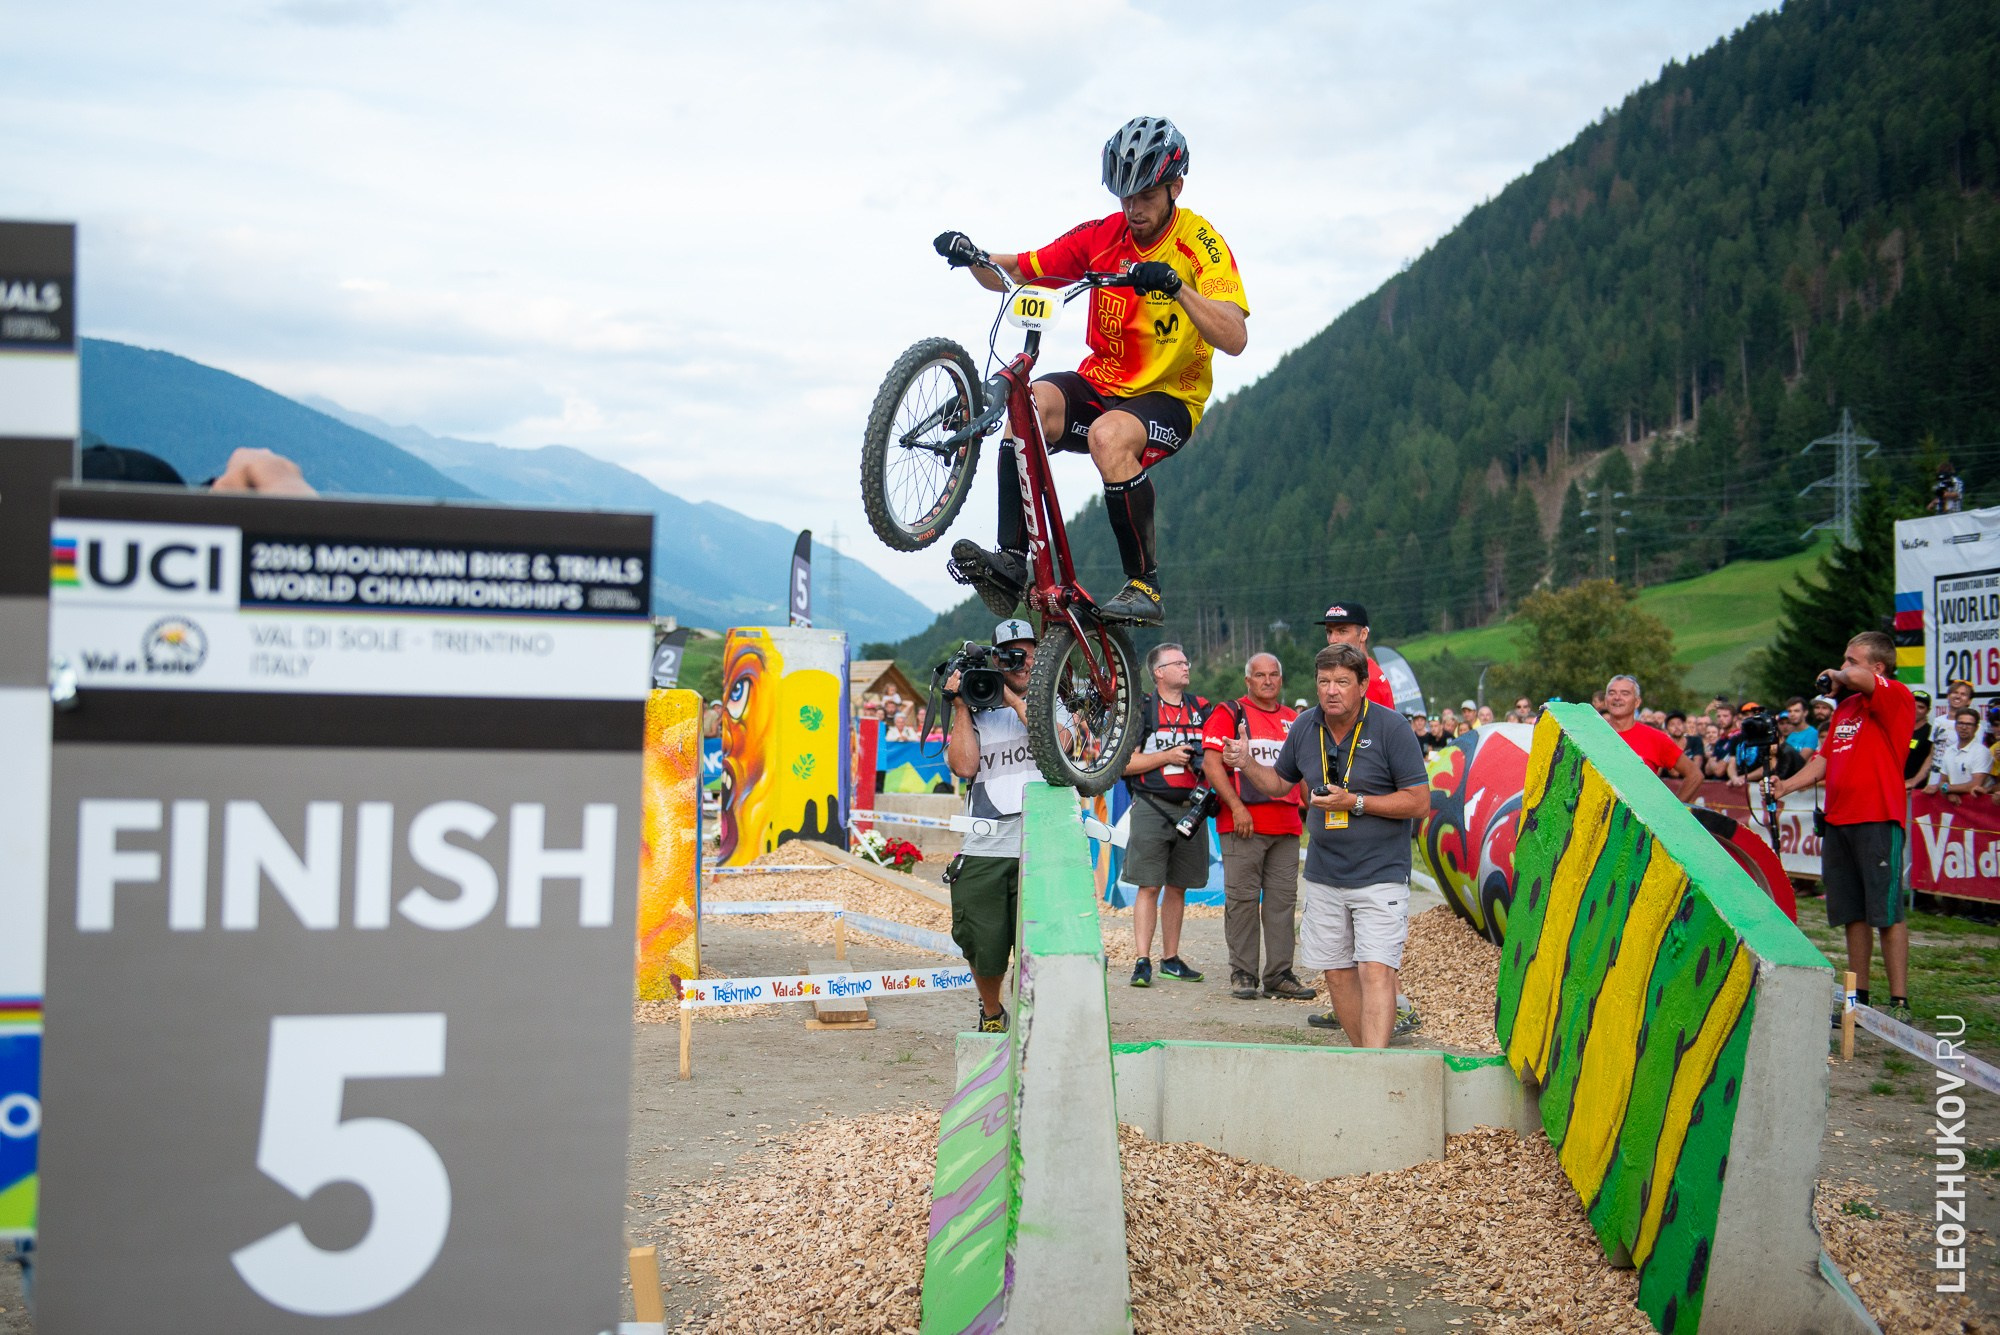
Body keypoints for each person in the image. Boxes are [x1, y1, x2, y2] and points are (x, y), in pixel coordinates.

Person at [936, 116, 1249, 627]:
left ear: (1176, 186)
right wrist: (972, 255)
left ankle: (1145, 584)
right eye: (1123, 196)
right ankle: (1012, 562)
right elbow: (1018, 270)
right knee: (1026, 403)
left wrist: (1176, 287)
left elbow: (1234, 337)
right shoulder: (1104, 235)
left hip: (1169, 396)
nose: (1133, 208)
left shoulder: (1201, 243)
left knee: (1108, 437)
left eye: (1146, 194)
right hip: (1101, 382)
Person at [1221, 643, 1429, 1047]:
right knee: (1336, 971)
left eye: (1342, 682)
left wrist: (1356, 802)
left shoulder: (1391, 728)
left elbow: (1419, 802)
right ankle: (1364, 1058)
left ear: (1363, 685)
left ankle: (1373, 1066)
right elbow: (1279, 784)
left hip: (1380, 873)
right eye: (1324, 681)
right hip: (1324, 874)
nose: (1331, 690)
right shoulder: (1303, 726)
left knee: (1376, 969)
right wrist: (1246, 762)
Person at [1772, 632, 1918, 1024]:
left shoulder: (1895, 696)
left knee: (1886, 912)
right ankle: (1858, 998)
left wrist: (1839, 674)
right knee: (1852, 913)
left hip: (1876, 816)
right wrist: (1787, 785)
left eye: (1852, 660)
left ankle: (1900, 1001)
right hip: (1839, 820)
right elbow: (1825, 759)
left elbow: (1859, 680)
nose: (1844, 667)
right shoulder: (1845, 709)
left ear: (1877, 667)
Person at [943, 619, 1044, 1033]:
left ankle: (1037, 1018)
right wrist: (962, 703)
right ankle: (991, 1013)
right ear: (995, 660)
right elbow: (964, 765)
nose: (1021, 665)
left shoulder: (1057, 703)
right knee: (982, 943)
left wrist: (1017, 701)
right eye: (1010, 656)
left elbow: (1060, 744)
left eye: (1029, 656)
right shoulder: (978, 706)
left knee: (1041, 945)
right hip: (986, 843)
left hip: (1041, 843)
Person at [1201, 653, 1316, 1001]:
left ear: (1281, 680)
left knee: (1283, 902)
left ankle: (1279, 973)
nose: (1267, 681)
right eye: (1259, 675)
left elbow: (1305, 772)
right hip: (1243, 822)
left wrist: (1315, 810)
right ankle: (1243, 972)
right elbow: (1211, 763)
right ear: (1247, 681)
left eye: (1273, 675)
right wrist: (1235, 806)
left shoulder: (1295, 720)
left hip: (1286, 825)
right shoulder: (1229, 713)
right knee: (1242, 899)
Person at [1120, 642, 1212, 987]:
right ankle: (1142, 960)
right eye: (1178, 663)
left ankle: (1170, 958)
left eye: (1187, 661)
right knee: (1149, 884)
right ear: (1159, 673)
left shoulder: (1202, 708)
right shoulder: (1142, 709)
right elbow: (1126, 763)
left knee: (1179, 887)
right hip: (1152, 803)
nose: (1186, 667)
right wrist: (1167, 756)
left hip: (1193, 806)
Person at [1602, 675, 1703, 801]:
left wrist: (1675, 812)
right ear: (1606, 700)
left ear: (1637, 702)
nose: (1617, 698)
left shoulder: (1655, 738)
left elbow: (1695, 775)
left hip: (1638, 818)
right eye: (1612, 693)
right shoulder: (1592, 734)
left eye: (1625, 693)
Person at [1317, 601, 1396, 708]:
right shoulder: (1360, 672)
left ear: (1363, 635)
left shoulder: (1368, 680)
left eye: (1342, 631)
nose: (1332, 640)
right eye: (1329, 632)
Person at [1934, 708, 1991, 800]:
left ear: (1976, 728)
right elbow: (1941, 782)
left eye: (1969, 724)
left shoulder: (1982, 752)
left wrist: (1948, 789)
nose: (1964, 727)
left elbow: (1975, 785)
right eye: (1961, 723)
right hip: (1956, 807)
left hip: (1977, 807)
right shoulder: (1949, 750)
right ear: (1955, 726)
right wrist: (1948, 793)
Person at [1904, 690, 1936, 792]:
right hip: (1894, 785)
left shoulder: (1930, 732)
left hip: (1917, 790)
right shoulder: (1898, 729)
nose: (1915, 709)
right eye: (1912, 704)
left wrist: (1915, 781)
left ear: (1928, 711)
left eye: (1921, 707)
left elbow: (1931, 759)